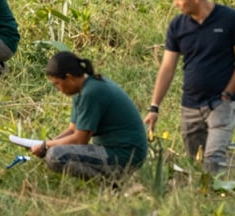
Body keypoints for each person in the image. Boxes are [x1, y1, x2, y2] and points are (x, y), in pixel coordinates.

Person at [144, 0, 235, 172]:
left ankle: (217, 187)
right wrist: (154, 106)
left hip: (221, 103)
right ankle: (201, 192)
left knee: (213, 160)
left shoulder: (230, 19)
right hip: (190, 105)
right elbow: (167, 68)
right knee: (195, 163)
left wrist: (228, 94)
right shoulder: (177, 26)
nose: (175, 3)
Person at [30, 51, 148, 180]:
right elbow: (73, 130)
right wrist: (45, 144)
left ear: (69, 77)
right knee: (53, 150)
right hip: (113, 150)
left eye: (57, 83)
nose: (58, 89)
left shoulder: (91, 92)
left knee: (55, 156)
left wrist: (46, 146)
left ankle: (110, 182)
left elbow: (80, 140)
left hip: (125, 155)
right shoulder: (82, 89)